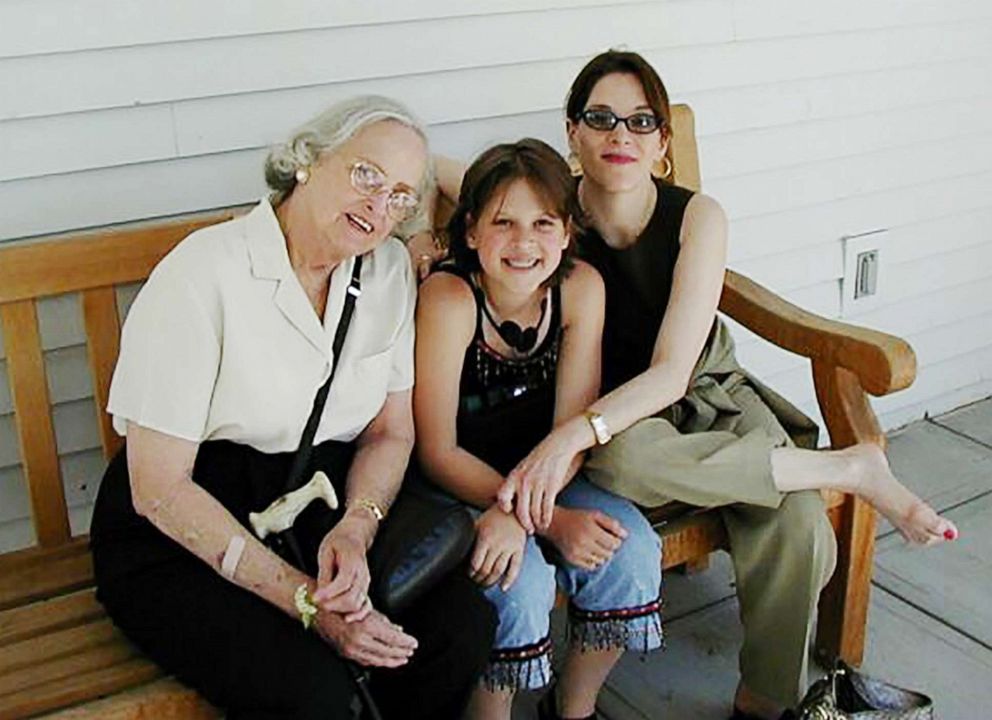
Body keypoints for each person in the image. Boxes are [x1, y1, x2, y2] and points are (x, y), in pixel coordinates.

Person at [414, 51, 958, 720]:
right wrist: (424, 233)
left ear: (663, 144)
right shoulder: (551, 215)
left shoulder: (698, 217)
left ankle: (765, 703)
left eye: (642, 122)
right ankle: (843, 467)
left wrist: (572, 438)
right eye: (602, 118)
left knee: (798, 526)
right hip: (621, 415)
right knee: (626, 458)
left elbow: (675, 372)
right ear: (573, 133)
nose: (621, 136)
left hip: (705, 390)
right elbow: (445, 176)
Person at [89, 95, 496, 720]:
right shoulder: (203, 275)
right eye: (366, 175)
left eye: (399, 198)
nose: (377, 207)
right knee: (314, 693)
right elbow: (160, 490)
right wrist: (308, 603)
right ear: (308, 158)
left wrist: (358, 526)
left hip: (314, 503)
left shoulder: (386, 272)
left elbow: (390, 433)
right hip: (183, 524)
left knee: (458, 627)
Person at [414, 139, 662, 720]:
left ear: (568, 231)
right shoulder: (449, 300)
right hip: (456, 482)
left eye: (543, 223)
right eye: (504, 222)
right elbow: (436, 450)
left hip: (546, 470)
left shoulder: (581, 289)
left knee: (629, 552)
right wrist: (545, 521)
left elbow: (569, 431)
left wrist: (526, 509)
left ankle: (573, 709)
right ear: (471, 231)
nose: (525, 243)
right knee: (515, 581)